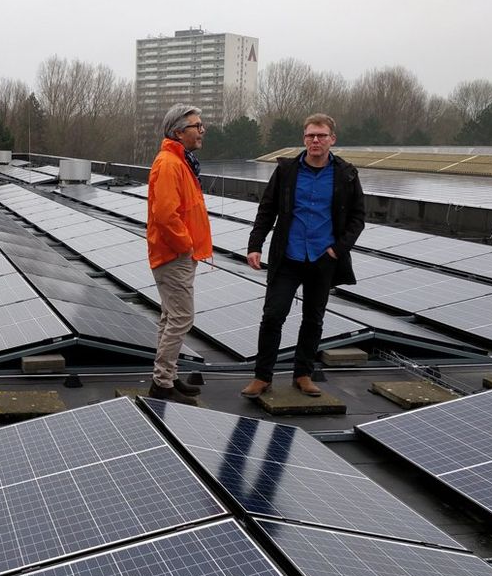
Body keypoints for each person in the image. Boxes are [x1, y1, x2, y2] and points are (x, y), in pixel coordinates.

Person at [242, 113, 365, 398]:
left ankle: (303, 374)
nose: (315, 140)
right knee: (273, 316)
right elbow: (267, 208)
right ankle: (262, 377)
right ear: (304, 138)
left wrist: (337, 249)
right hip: (288, 256)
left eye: (321, 135)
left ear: (332, 139)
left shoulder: (346, 174)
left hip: (323, 259)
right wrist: (255, 244)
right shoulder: (287, 171)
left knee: (313, 319)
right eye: (310, 135)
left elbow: (358, 217)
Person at [146, 104, 213, 403]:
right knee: (182, 318)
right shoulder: (170, 164)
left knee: (170, 316)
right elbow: (165, 214)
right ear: (178, 132)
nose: (201, 131)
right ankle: (162, 384)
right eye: (196, 126)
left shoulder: (181, 161)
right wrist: (185, 245)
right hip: (174, 255)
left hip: (179, 254)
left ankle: (167, 377)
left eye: (201, 125)